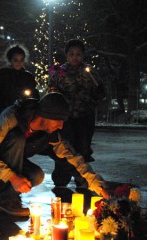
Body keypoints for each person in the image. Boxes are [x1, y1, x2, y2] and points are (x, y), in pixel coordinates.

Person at [0, 93, 110, 217]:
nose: (61, 126)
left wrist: (98, 185)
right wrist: (13, 177)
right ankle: (6, 200)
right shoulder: (13, 116)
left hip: (3, 161)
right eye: (58, 121)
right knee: (17, 138)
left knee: (36, 175)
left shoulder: (50, 133)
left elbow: (72, 158)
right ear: (46, 116)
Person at [48, 39, 105, 191]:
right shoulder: (59, 71)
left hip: (84, 116)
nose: (75, 57)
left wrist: (91, 101)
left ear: (83, 55)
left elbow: (100, 90)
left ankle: (82, 178)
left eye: (78, 54)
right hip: (65, 117)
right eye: (71, 54)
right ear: (66, 55)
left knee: (82, 147)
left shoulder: (89, 71)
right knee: (64, 147)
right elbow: (52, 89)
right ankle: (61, 179)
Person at [0, 45, 40, 118]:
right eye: (15, 60)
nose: (19, 63)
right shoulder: (2, 75)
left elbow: (34, 94)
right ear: (10, 60)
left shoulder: (28, 77)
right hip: (3, 113)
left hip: (24, 113)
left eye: (21, 60)